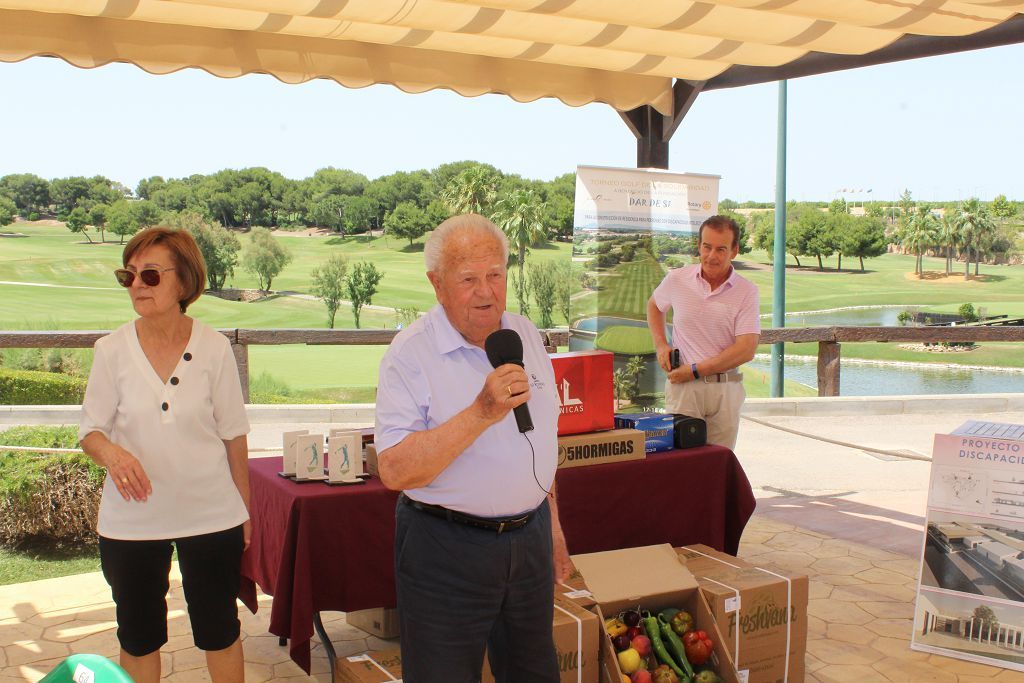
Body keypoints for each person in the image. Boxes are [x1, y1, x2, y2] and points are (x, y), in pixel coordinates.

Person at [375, 213, 572, 683]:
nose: (486, 292)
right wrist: (481, 412)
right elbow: (394, 471)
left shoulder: (524, 334)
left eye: (495, 275)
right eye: (468, 279)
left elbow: (543, 442)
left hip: (530, 540)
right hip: (445, 549)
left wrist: (555, 528)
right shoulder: (409, 354)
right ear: (437, 284)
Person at [79, 227, 251, 683]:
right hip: (131, 521)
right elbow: (90, 433)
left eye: (150, 275)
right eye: (128, 275)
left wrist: (245, 511)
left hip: (211, 515)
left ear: (185, 282)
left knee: (220, 632)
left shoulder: (214, 348)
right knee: (137, 637)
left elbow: (234, 436)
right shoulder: (110, 351)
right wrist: (113, 455)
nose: (137, 285)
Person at [646, 215, 760, 449]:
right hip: (684, 390)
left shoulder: (747, 292)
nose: (712, 256)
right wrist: (661, 346)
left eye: (721, 249)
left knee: (718, 468)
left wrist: (695, 371)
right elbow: (654, 306)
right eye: (707, 247)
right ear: (699, 246)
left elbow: (746, 349)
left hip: (725, 391)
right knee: (682, 468)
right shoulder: (677, 279)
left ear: (734, 251)